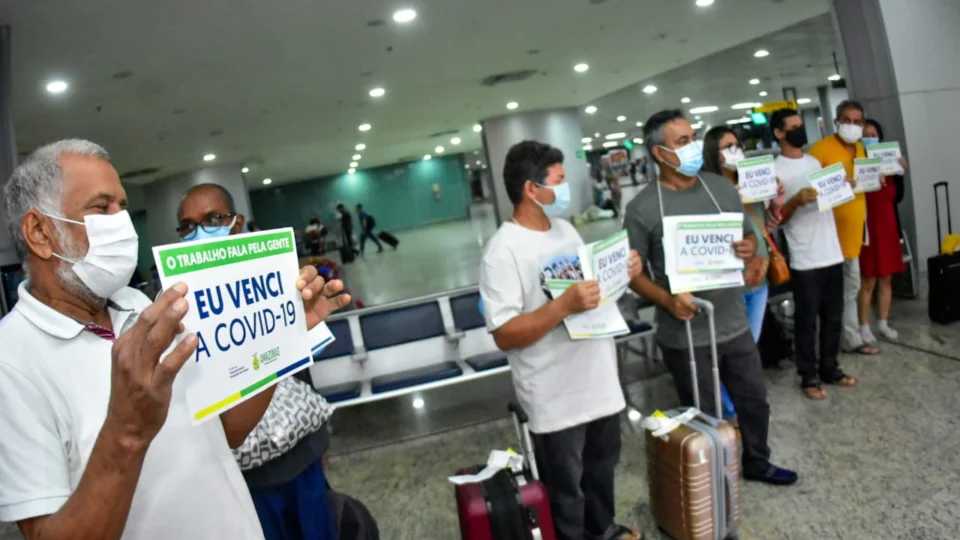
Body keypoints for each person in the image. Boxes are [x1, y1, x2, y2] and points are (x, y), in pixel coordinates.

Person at [0, 140, 348, 539]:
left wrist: (280, 335)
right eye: (102, 207)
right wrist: (127, 430)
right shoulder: (11, 363)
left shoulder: (140, 307)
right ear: (40, 232)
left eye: (123, 206)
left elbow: (226, 431)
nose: (123, 223)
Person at [480, 140, 643, 540]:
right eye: (558, 181)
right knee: (565, 489)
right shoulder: (502, 252)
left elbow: (589, 294)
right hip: (555, 393)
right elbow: (504, 333)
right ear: (531, 190)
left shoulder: (566, 230)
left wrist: (623, 273)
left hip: (598, 379)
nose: (565, 190)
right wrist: (562, 307)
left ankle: (603, 529)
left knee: (601, 469)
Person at [625, 110, 797, 486]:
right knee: (705, 413)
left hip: (733, 320)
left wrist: (749, 249)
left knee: (754, 401)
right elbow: (633, 274)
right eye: (682, 142)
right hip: (685, 332)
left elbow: (747, 239)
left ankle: (757, 461)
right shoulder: (642, 209)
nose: (692, 147)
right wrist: (668, 301)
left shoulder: (720, 190)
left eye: (692, 137)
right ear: (660, 153)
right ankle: (715, 479)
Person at [177, 184, 351, 539]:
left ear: (236, 223)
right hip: (244, 475)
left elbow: (297, 365)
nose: (199, 232)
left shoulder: (275, 279)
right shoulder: (179, 304)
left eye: (212, 218)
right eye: (188, 225)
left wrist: (317, 442)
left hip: (301, 457)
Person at [771, 108, 859, 400]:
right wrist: (795, 201)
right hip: (804, 256)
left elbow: (830, 195)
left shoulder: (813, 162)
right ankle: (808, 375)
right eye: (793, 127)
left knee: (834, 316)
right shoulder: (776, 171)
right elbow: (775, 220)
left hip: (831, 250)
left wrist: (843, 187)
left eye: (800, 125)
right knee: (806, 320)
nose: (800, 130)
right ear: (779, 133)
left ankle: (830, 367)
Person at [701, 126, 785, 420]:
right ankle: (729, 407)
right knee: (732, 349)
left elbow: (767, 227)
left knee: (751, 344)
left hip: (759, 279)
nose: (734, 151)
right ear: (713, 153)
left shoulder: (752, 182)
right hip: (730, 283)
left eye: (737, 144)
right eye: (727, 146)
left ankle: (738, 401)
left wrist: (775, 203)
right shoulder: (706, 191)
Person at [808, 100, 878, 356]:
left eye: (857, 121)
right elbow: (810, 189)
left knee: (851, 287)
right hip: (828, 234)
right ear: (837, 121)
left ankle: (848, 338)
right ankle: (839, 340)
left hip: (854, 231)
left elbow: (863, 182)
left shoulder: (860, 148)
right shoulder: (821, 150)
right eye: (846, 120)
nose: (852, 126)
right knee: (832, 292)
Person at [858, 119, 909, 342]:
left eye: (874, 133)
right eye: (865, 134)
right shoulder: (857, 163)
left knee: (886, 278)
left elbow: (898, 197)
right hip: (868, 228)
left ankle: (883, 323)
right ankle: (863, 325)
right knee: (868, 279)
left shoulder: (891, 166)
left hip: (888, 227)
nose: (870, 137)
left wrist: (901, 171)